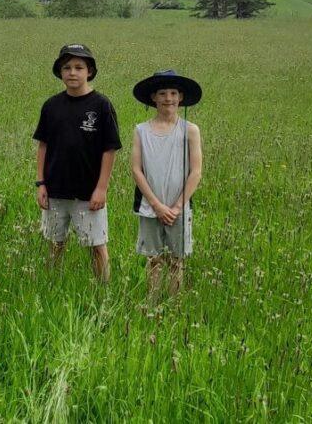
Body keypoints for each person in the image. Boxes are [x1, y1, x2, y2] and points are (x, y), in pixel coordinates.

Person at [33, 44, 122, 282]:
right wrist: (41, 183)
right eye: (67, 67)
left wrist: (101, 188)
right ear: (60, 72)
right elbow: (43, 146)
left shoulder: (102, 105)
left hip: (88, 193)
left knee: (96, 245)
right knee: (54, 243)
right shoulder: (51, 106)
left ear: (89, 71)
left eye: (79, 67)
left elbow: (109, 150)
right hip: (55, 190)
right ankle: (51, 283)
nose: (72, 72)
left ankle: (103, 288)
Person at [129, 70, 204, 304]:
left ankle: (173, 302)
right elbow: (136, 170)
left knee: (176, 259)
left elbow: (196, 171)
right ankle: (151, 301)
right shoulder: (141, 130)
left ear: (181, 97)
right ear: (153, 98)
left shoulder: (190, 130)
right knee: (153, 258)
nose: (168, 98)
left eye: (173, 93)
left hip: (179, 206)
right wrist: (157, 206)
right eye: (162, 93)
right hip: (150, 205)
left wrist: (177, 206)